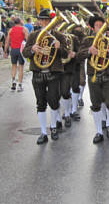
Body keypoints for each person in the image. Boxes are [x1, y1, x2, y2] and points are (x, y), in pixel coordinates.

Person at [22, 9, 68, 145]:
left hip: (53, 73)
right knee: (40, 103)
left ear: (51, 21)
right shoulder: (34, 35)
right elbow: (25, 52)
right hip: (38, 73)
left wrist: (59, 48)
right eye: (42, 20)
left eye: (47, 20)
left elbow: (66, 54)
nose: (44, 22)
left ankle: (53, 127)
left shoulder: (59, 36)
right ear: (39, 21)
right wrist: (32, 49)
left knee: (54, 101)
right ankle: (43, 132)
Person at [78, 15, 109, 144]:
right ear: (93, 27)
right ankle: (99, 132)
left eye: (102, 25)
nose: (100, 28)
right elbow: (79, 56)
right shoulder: (88, 40)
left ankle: (108, 124)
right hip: (94, 74)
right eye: (97, 26)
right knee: (95, 104)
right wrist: (89, 51)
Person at [4, 17, 28, 92]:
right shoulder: (24, 29)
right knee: (21, 67)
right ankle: (20, 85)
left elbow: (7, 42)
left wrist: (5, 51)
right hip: (21, 50)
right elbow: (28, 40)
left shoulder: (11, 30)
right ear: (20, 22)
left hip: (13, 50)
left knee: (14, 66)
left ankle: (13, 82)